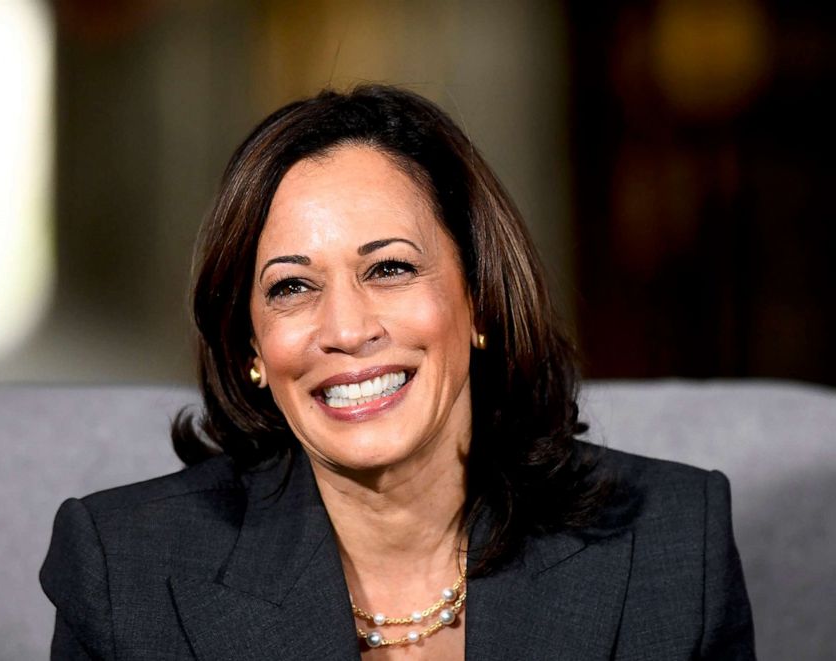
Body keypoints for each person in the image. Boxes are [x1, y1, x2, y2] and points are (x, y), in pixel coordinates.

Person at [41, 85, 755, 660]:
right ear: (250, 348)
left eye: (390, 268)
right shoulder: (123, 570)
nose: (347, 329)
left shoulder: (670, 543)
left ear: (478, 300)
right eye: (292, 286)